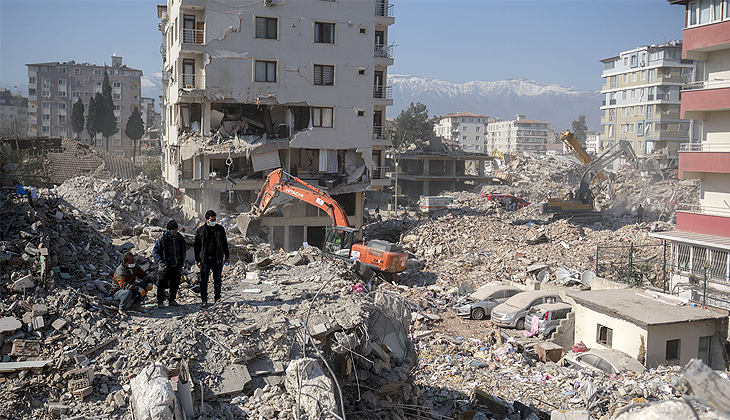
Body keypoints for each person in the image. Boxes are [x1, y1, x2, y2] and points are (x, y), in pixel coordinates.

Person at [194, 210, 229, 307]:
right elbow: (197, 248)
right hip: (205, 260)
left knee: (217, 280)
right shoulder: (200, 231)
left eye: (215, 219)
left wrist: (227, 256)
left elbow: (225, 243)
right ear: (206, 220)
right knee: (204, 280)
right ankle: (204, 300)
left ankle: (217, 299)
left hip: (217, 259)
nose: (214, 221)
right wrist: (198, 260)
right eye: (212, 220)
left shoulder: (220, 229)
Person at [153, 220, 186, 308]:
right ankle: (160, 301)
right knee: (162, 284)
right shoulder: (162, 238)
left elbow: (183, 250)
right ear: (169, 230)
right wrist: (161, 262)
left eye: (176, 230)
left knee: (174, 284)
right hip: (165, 267)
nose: (175, 232)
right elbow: (155, 251)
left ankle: (172, 300)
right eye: (173, 231)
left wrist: (181, 262)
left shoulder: (180, 238)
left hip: (177, 265)